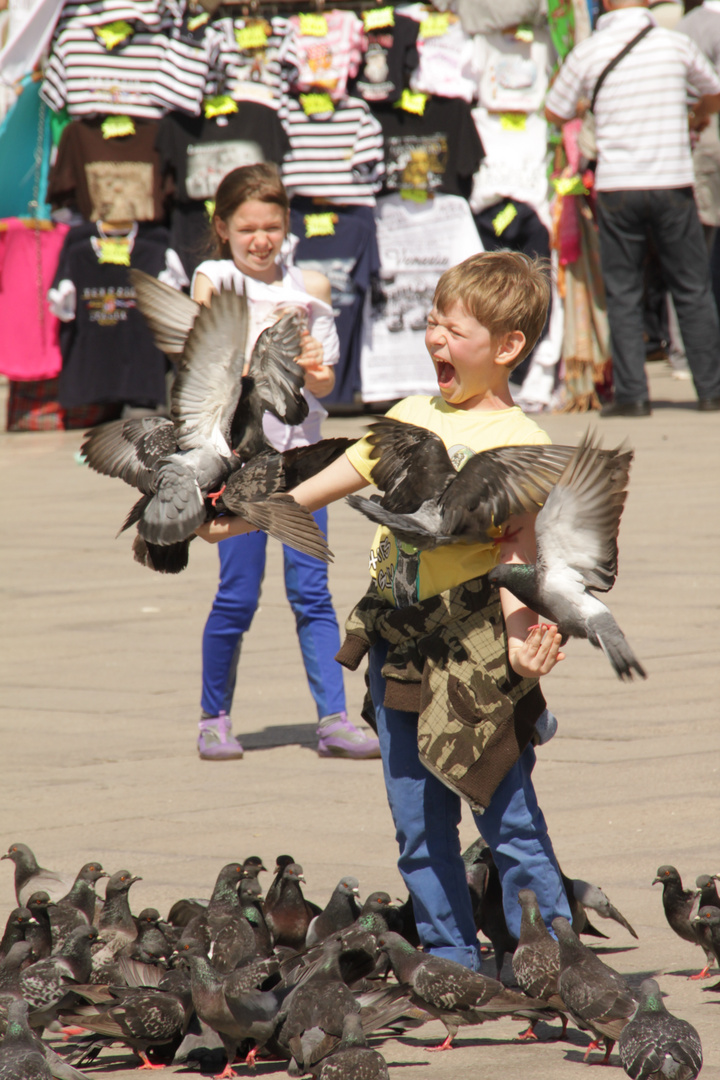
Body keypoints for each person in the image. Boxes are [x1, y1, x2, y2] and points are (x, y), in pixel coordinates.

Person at [197, 251, 573, 969]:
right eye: (431, 322)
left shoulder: (521, 444)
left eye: (452, 329)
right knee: (417, 824)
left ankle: (557, 962)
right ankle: (451, 964)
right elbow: (313, 491)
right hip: (398, 648)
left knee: (507, 821)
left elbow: (517, 555)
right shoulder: (406, 418)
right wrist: (232, 521)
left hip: (474, 659)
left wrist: (526, 640)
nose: (434, 338)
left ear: (508, 347)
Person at [193, 163, 380, 762]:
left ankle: (333, 718)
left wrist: (316, 370)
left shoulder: (312, 287)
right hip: (240, 464)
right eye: (246, 227)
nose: (260, 239)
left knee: (313, 594)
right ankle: (213, 718)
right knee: (237, 595)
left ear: (287, 226)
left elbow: (322, 384)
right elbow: (211, 356)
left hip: (301, 460)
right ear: (221, 227)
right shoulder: (214, 276)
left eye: (272, 226)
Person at [545, 0, 720, 415]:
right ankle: (712, 389)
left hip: (617, 186)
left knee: (623, 292)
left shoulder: (590, 50)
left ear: (605, 3)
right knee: (692, 288)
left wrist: (591, 107)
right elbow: (713, 91)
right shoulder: (673, 44)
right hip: (672, 182)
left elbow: (553, 109)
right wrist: (694, 116)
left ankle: (632, 396)